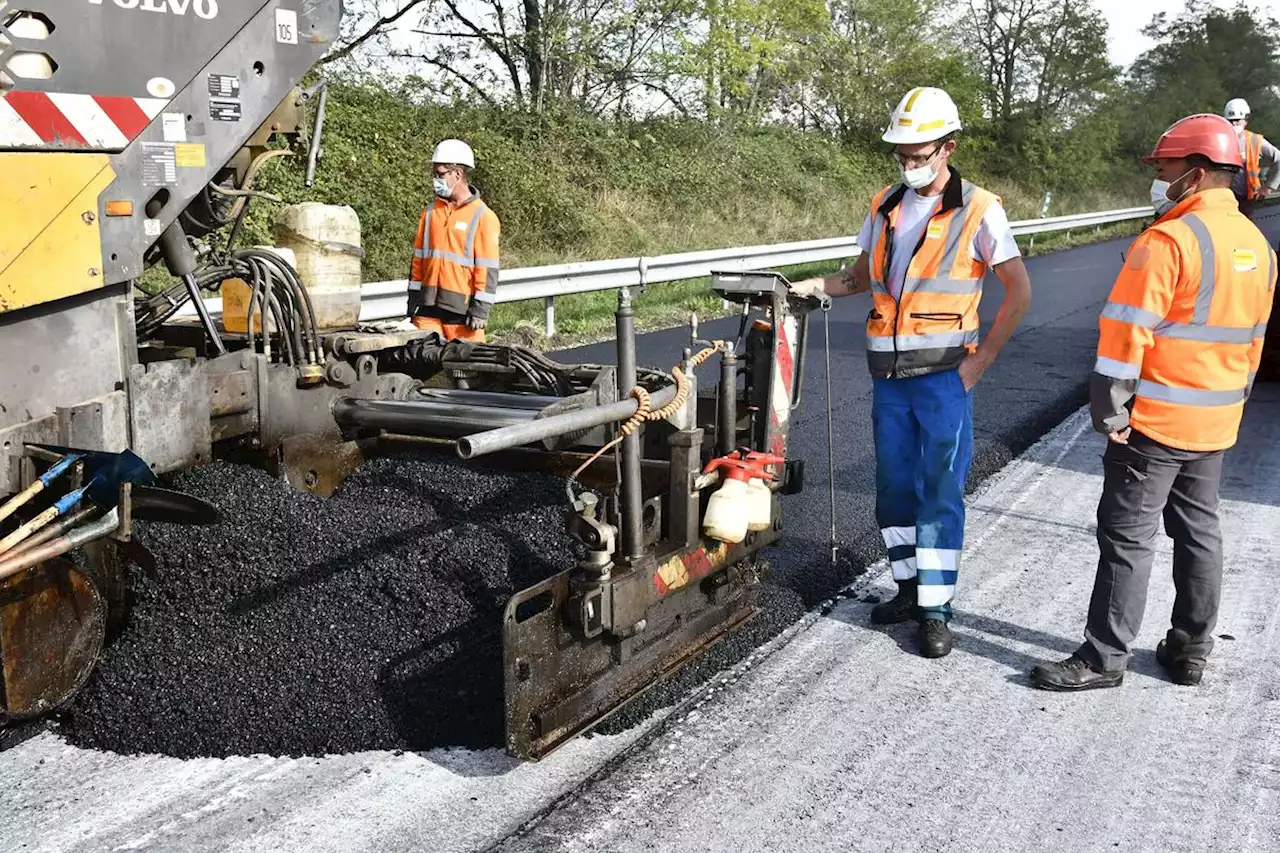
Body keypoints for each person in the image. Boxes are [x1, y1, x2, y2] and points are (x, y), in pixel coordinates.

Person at [1031, 114, 1276, 692]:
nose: (1158, 177)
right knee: (1199, 532)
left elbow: (1123, 335)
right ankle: (1190, 649)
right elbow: (1256, 337)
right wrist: (1232, 402)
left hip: (1155, 423)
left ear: (1194, 173)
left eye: (1164, 167)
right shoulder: (1256, 245)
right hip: (1215, 420)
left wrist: (1111, 412)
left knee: (1127, 537)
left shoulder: (1167, 241)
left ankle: (1103, 657)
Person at [790, 87, 1032, 658]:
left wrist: (982, 361)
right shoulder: (884, 205)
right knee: (894, 487)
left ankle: (937, 609)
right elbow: (857, 278)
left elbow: (1018, 289)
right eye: (901, 153)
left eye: (918, 153)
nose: (908, 162)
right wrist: (806, 287)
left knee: (939, 490)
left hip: (946, 377)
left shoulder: (979, 208)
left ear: (947, 147)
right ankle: (907, 587)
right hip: (889, 379)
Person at [406, 139, 500, 342]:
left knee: (468, 370)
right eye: (435, 174)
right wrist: (412, 301)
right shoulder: (430, 213)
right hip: (427, 309)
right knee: (425, 368)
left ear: (457, 174)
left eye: (440, 174)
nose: (435, 179)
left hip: (463, 313)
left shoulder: (483, 216)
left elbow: (487, 268)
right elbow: (418, 262)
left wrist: (480, 310)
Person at [1223, 98, 1280, 219]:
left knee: (1245, 231)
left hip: (1246, 198)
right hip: (1223, 198)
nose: (1234, 124)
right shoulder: (1219, 139)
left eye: (1237, 120)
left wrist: (1268, 187)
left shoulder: (1254, 141)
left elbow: (1279, 159)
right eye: (1230, 121)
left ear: (1245, 120)